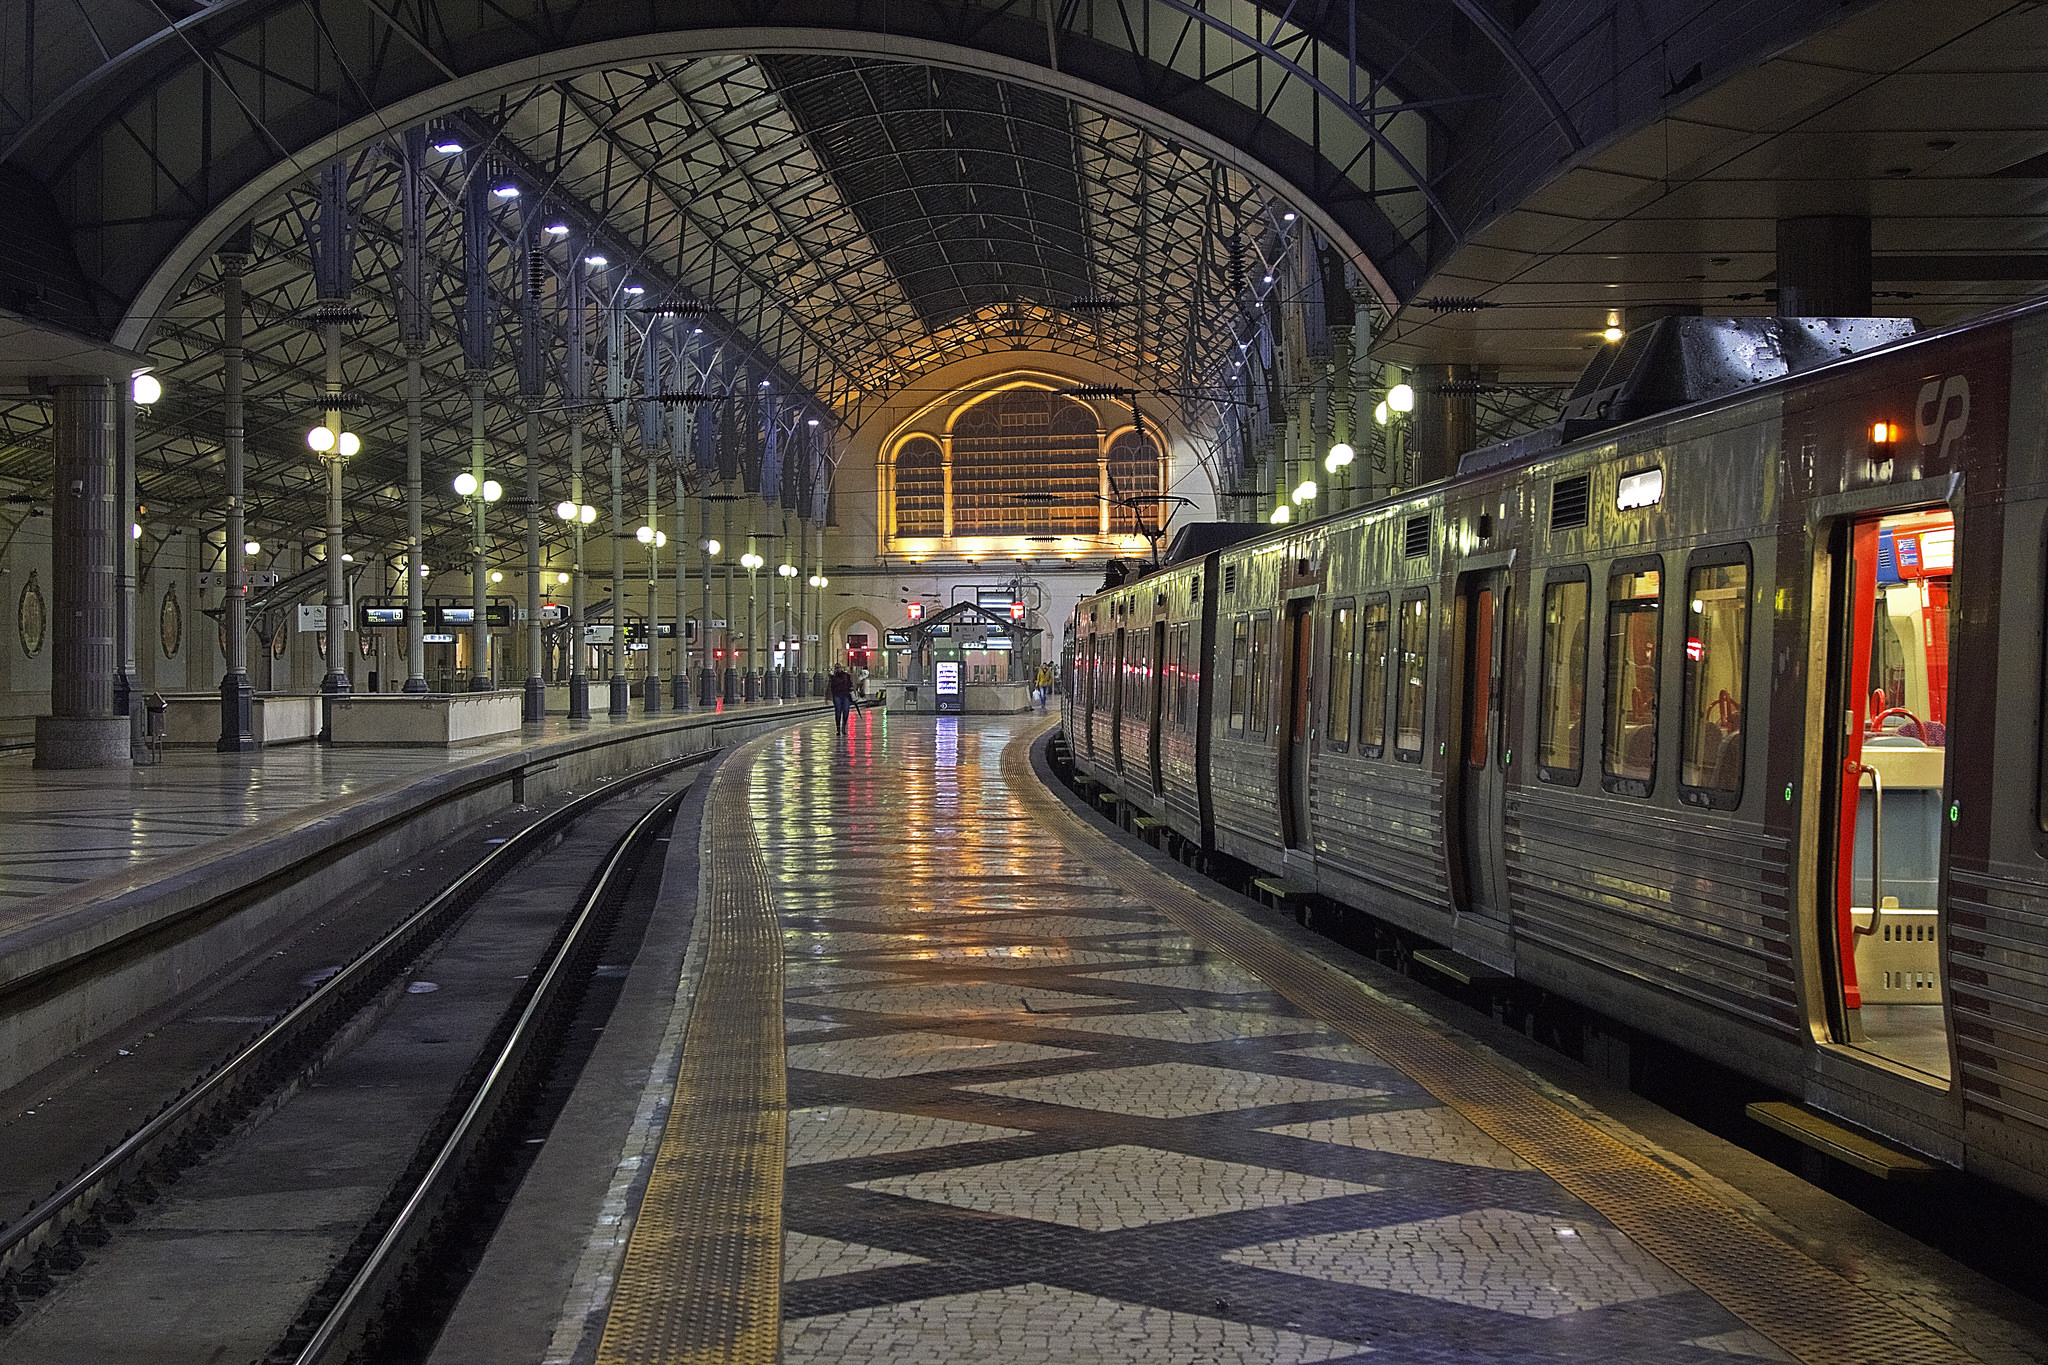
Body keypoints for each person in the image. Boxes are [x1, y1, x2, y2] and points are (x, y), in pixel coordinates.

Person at [829, 664, 855, 732]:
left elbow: (850, 684)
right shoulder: (833, 677)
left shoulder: (846, 676)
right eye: (836, 668)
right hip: (837, 696)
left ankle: (843, 726)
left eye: (839, 668)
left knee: (846, 711)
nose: (838, 669)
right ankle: (838, 728)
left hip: (845, 695)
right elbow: (831, 687)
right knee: (838, 712)